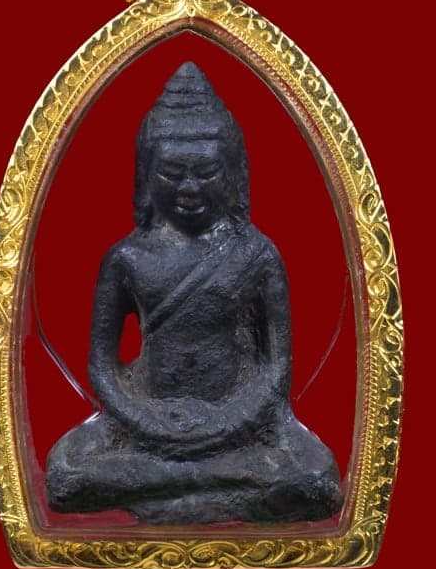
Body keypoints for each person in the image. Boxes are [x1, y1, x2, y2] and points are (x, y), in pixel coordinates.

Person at [46, 62, 342, 524]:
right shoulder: (127, 259)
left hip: (240, 425)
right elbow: (103, 366)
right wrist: (144, 420)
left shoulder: (256, 255)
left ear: (233, 173)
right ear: (146, 175)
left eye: (206, 172)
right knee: (68, 474)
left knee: (314, 477)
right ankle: (207, 485)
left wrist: (231, 421)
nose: (188, 188)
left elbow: (276, 366)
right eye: (172, 173)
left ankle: (171, 485)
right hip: (146, 420)